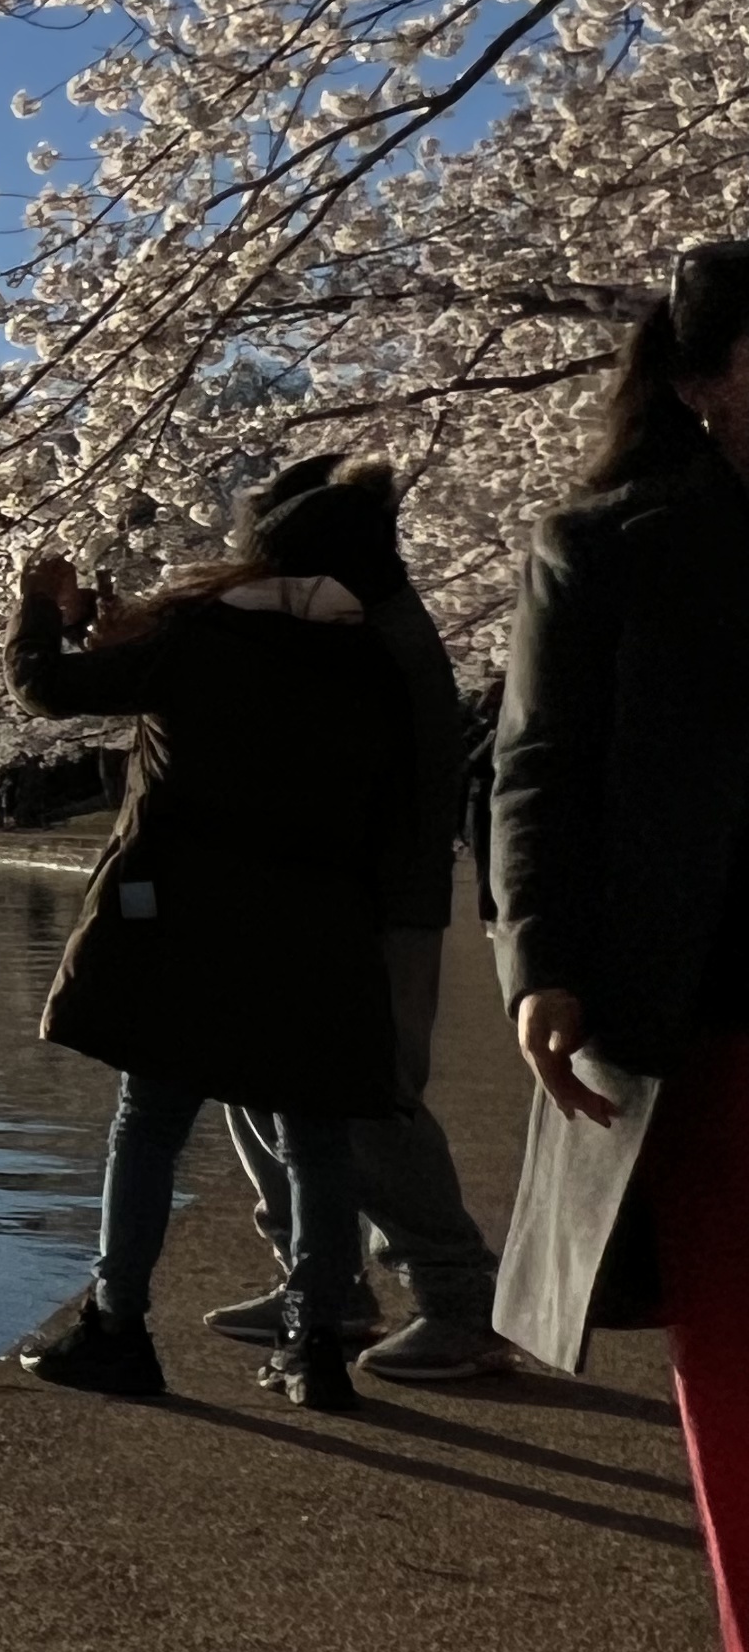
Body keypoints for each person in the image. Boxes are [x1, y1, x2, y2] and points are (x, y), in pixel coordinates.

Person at [7, 461, 423, 1414]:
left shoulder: (203, 637)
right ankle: (315, 1345)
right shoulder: (374, 663)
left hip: (189, 921)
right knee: (313, 1134)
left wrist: (41, 607)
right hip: (322, 924)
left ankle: (118, 1326)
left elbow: (49, 688)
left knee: (150, 1120)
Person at [490, 240, 749, 1652]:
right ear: (708, 382)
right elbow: (537, 773)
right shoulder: (613, 544)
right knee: (739, 1373)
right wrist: (545, 967)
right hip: (709, 1009)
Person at [193, 456, 528, 1382]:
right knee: (255, 1083)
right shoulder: (356, 630)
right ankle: (323, 1278)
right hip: (324, 901)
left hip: (371, 908)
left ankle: (458, 1297)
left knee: (368, 1103)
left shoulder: (370, 643)